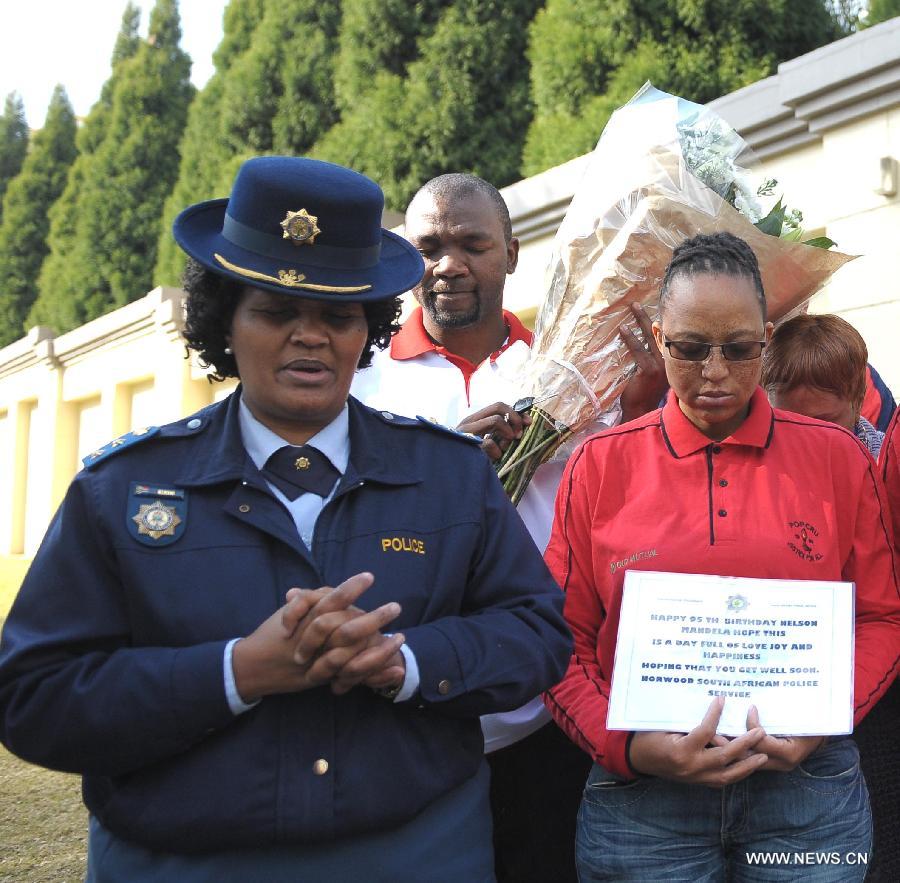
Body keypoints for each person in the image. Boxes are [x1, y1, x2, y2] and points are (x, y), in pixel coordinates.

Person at [0, 157, 572, 882]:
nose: (310, 336)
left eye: (338, 314)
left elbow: (536, 634)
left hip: (415, 857)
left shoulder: (452, 476)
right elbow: (34, 695)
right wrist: (237, 671)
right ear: (225, 322)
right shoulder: (124, 489)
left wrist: (406, 660)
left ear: (366, 326)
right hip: (187, 862)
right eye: (275, 310)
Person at [544, 231, 900, 881]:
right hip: (645, 803)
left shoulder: (837, 457)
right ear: (658, 339)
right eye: (689, 348)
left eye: (739, 350)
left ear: (766, 340)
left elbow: (882, 615)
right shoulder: (600, 465)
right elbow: (556, 637)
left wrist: (823, 719)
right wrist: (627, 745)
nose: (714, 372)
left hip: (807, 797)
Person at [352, 172, 667, 883]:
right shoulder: (361, 377)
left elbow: (628, 508)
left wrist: (644, 407)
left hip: (548, 707)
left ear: (513, 254)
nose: (449, 263)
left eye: (473, 243)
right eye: (429, 245)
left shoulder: (574, 368)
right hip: (412, 707)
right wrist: (446, 464)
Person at [761, 311, 898, 880]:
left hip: (873, 687)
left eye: (824, 420)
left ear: (858, 394)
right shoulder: (756, 466)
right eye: (789, 420)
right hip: (786, 688)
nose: (808, 438)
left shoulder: (882, 465)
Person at [761, 313, 884, 456]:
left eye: (821, 424)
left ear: (858, 403)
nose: (804, 441)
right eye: (786, 422)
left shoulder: (887, 470)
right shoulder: (755, 465)